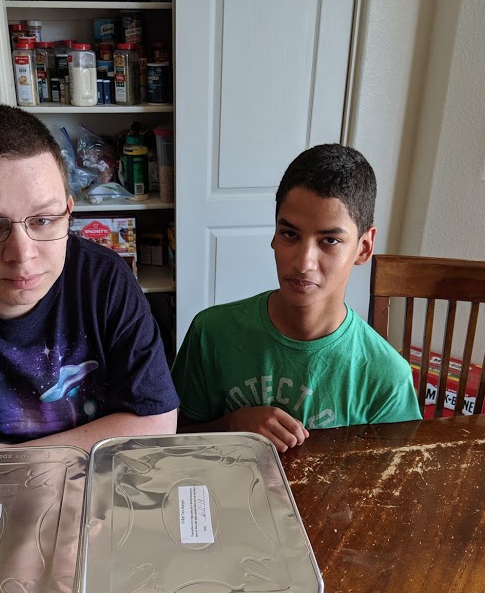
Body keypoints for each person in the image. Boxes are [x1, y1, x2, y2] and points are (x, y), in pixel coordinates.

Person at [0, 103, 178, 453]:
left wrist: (12, 461)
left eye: (43, 220)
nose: (22, 254)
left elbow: (157, 421)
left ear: (68, 213)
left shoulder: (104, 280)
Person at [171, 143, 421, 452]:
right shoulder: (211, 333)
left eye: (330, 240)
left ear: (364, 247)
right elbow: (173, 442)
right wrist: (232, 426)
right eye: (290, 234)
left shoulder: (386, 377)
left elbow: (394, 474)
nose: (303, 263)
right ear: (275, 235)